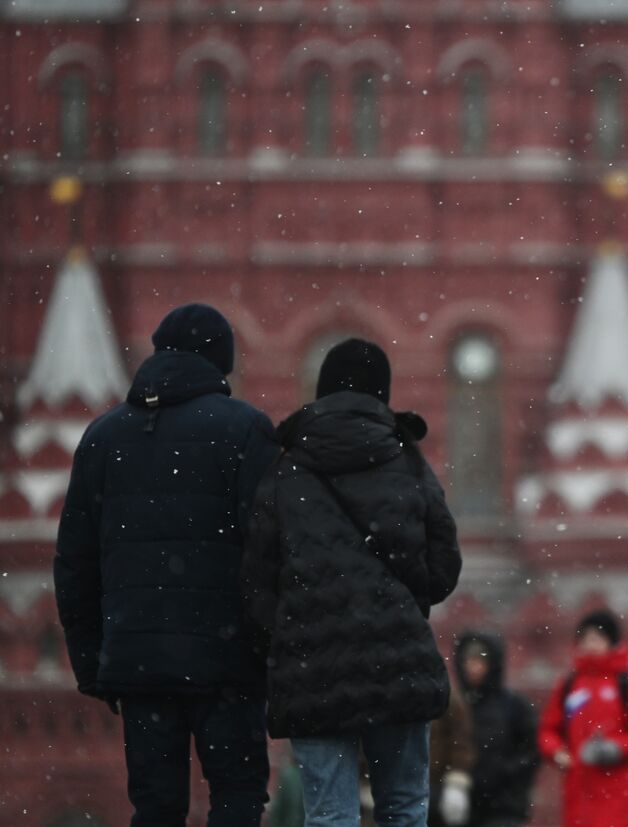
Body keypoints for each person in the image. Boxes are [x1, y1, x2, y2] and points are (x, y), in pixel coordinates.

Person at [54, 302, 280, 826]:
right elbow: (272, 551)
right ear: (219, 363)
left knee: (155, 807)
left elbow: (75, 562)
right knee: (239, 797)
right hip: (227, 661)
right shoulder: (246, 431)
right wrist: (264, 650)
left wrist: (93, 662)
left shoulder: (103, 437)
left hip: (140, 663)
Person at [242, 337, 463, 827]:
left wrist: (287, 637)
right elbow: (444, 565)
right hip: (397, 660)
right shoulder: (406, 461)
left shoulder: (285, 469)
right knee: (404, 806)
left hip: (313, 668)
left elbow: (257, 583)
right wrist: (400, 603)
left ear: (321, 392)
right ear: (381, 395)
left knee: (328, 814)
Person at [539, 610, 628, 827]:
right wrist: (556, 751)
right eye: (586, 638)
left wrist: (615, 749)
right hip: (577, 787)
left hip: (616, 787)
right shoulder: (570, 684)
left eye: (597, 638)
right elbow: (548, 729)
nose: (591, 644)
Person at [430, 631, 541, 827]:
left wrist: (503, 777)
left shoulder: (514, 706)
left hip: (503, 807)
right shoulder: (450, 705)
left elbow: (531, 752)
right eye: (468, 661)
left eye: (480, 661)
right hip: (456, 804)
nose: (474, 668)